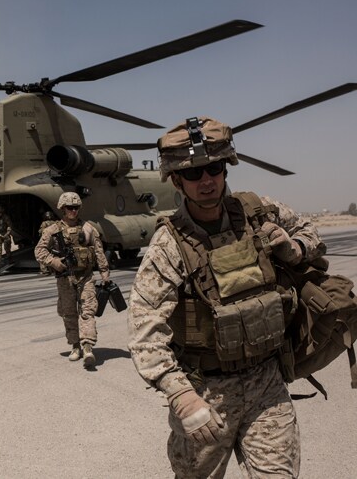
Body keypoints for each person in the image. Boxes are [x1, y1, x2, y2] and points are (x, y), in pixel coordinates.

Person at [127, 117, 327, 477]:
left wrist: (294, 247)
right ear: (176, 180)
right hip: (207, 393)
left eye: (214, 168)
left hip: (267, 383)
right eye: (193, 174)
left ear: (225, 168)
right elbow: (145, 330)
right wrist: (181, 396)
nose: (206, 181)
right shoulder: (168, 245)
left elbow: (309, 232)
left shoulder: (258, 211)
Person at [34, 192, 110, 368]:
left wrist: (104, 273)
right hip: (65, 279)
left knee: (88, 311)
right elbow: (39, 251)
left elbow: (98, 252)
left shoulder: (89, 229)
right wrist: (53, 261)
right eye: (69, 208)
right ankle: (75, 346)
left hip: (86, 277)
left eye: (75, 208)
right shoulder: (52, 231)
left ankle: (87, 346)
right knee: (69, 314)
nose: (73, 211)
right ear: (62, 209)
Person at [38, 211, 57, 275]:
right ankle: (53, 269)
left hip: (47, 240)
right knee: (53, 254)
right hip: (54, 241)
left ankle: (45, 270)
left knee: (43, 254)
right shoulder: (55, 223)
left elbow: (41, 231)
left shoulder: (44, 223)